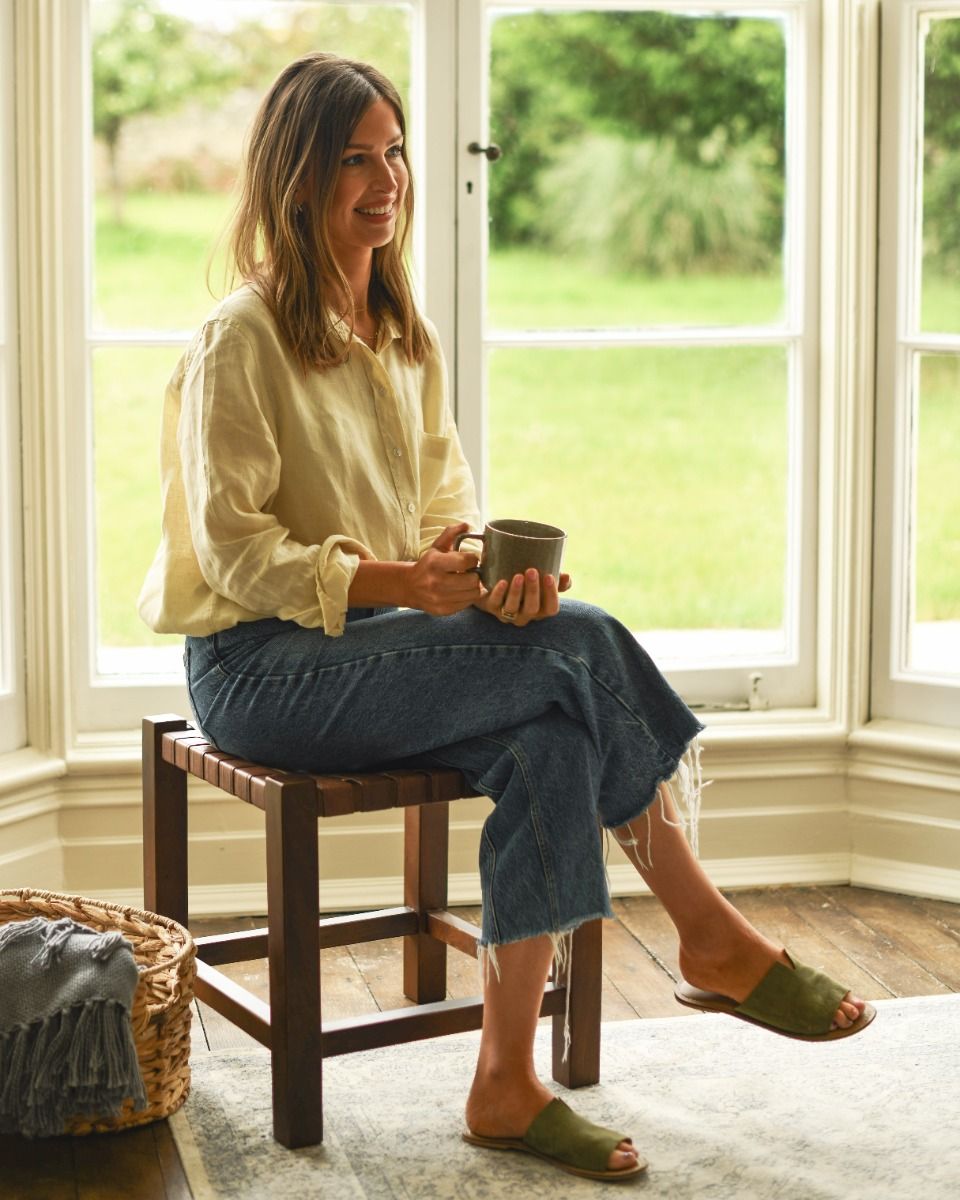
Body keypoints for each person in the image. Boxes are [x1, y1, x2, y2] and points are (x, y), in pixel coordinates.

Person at [138, 52, 874, 1182]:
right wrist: (400, 584)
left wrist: (477, 569)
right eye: (352, 158)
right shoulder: (242, 337)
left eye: (393, 153)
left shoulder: (399, 335)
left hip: (377, 657)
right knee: (578, 647)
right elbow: (236, 552)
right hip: (258, 672)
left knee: (552, 735)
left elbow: (449, 510)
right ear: (295, 178)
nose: (384, 180)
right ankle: (710, 930)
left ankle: (503, 1082)